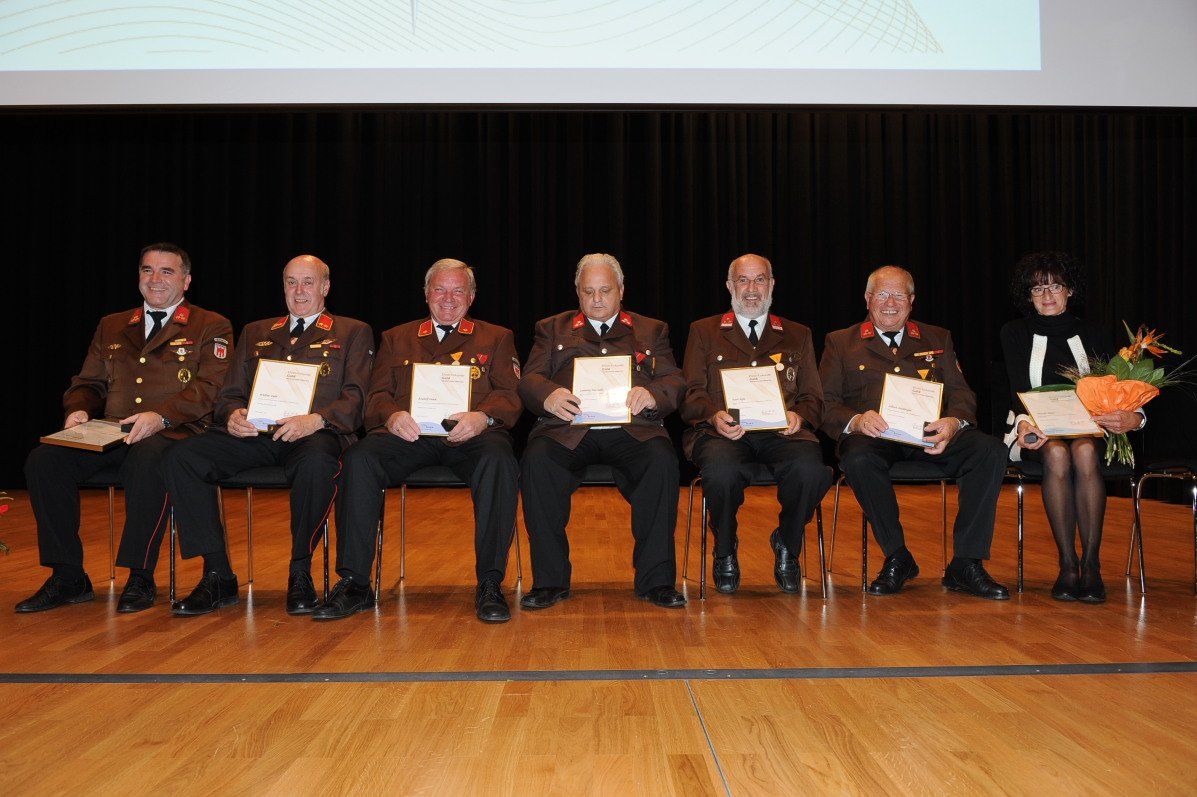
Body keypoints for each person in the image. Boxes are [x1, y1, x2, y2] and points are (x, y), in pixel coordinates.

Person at [18, 243, 233, 614]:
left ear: (186, 280)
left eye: (167, 271)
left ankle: (140, 574)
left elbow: (210, 388)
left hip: (174, 431)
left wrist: (160, 416)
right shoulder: (113, 325)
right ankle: (68, 576)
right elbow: (88, 382)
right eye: (147, 270)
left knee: (147, 459)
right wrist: (79, 409)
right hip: (113, 431)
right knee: (45, 461)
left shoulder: (210, 324)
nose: (155, 279)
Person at [164, 255, 374, 616]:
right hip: (256, 434)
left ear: (325, 287)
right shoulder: (256, 332)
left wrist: (316, 420)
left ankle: (300, 571)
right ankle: (217, 574)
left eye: (308, 282)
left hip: (315, 434)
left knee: (317, 464)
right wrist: (233, 414)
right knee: (184, 456)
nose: (299, 290)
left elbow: (356, 397)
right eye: (291, 282)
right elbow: (228, 395)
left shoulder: (352, 331)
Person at [322, 259, 522, 623]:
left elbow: (510, 394)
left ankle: (490, 582)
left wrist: (483, 417)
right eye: (439, 290)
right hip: (409, 436)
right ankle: (355, 583)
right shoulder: (397, 337)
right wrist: (391, 416)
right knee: (359, 459)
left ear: (472, 296)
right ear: (426, 294)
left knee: (499, 460)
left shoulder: (496, 337)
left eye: (458, 290)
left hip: (471, 437)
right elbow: (376, 395)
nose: (448, 298)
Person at [819, 265, 1010, 599]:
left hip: (931, 435)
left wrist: (954, 422)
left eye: (899, 295)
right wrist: (857, 420)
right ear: (868, 299)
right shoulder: (841, 342)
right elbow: (825, 404)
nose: (890, 303)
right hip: (874, 438)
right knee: (857, 457)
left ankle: (966, 563)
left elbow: (962, 394)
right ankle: (898, 556)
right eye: (882, 294)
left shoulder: (937, 338)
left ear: (911, 301)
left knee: (989, 450)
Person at [518, 253, 686, 610]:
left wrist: (653, 395)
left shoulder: (651, 329)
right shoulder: (552, 328)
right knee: (538, 461)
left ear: (621, 290)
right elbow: (530, 378)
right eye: (588, 291)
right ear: (577, 292)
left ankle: (656, 581)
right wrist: (548, 395)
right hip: (567, 430)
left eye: (605, 290)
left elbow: (673, 379)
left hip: (633, 431)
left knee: (661, 461)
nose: (596, 299)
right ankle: (549, 582)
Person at [680, 254, 832, 594]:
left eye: (760, 279)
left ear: (772, 285)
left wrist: (799, 416)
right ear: (729, 286)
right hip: (723, 434)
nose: (752, 288)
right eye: (743, 280)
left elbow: (814, 397)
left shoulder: (797, 334)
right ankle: (725, 548)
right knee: (721, 472)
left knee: (811, 471)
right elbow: (690, 393)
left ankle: (788, 543)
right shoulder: (704, 331)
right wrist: (713, 415)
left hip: (783, 435)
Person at [1000, 251, 1143, 603]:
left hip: (1090, 429)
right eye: (1037, 289)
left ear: (1070, 290)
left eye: (1055, 286)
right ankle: (1067, 563)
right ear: (1028, 295)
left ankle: (1091, 565)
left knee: (1083, 449)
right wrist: (1025, 423)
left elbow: (1114, 388)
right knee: (1057, 454)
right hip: (1035, 430)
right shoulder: (1014, 332)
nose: (1047, 295)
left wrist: (1130, 416)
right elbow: (1017, 390)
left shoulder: (1094, 332)